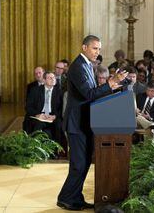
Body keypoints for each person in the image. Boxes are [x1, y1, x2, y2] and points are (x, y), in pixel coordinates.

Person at [57, 35, 127, 210]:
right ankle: (66, 198)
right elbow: (89, 94)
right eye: (95, 48)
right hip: (76, 123)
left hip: (85, 122)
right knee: (78, 164)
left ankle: (75, 197)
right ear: (84, 47)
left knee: (85, 162)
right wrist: (110, 84)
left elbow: (93, 92)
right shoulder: (78, 67)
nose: (98, 52)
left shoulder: (87, 65)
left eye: (99, 49)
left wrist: (112, 88)